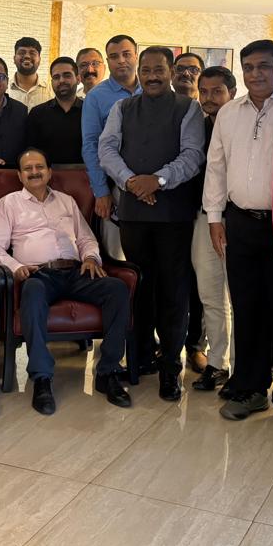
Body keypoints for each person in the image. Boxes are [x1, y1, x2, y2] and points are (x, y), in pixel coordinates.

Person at [203, 40, 273, 429]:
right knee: (247, 308)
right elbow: (216, 165)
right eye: (248, 67)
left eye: (263, 66)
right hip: (240, 222)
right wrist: (215, 216)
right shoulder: (229, 113)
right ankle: (250, 387)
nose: (255, 74)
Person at [0, 148, 132, 413]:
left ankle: (108, 372)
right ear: (19, 175)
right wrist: (16, 267)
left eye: (39, 167)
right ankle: (42, 378)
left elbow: (85, 238)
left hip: (76, 272)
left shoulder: (66, 201)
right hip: (38, 275)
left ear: (49, 172)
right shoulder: (9, 203)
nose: (34, 172)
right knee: (32, 292)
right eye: (28, 168)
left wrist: (91, 258)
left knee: (116, 288)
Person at [99, 46, 205, 401]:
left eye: (159, 70)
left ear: (171, 71)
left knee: (174, 291)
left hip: (173, 214)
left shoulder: (188, 108)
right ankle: (140, 358)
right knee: (139, 287)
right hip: (134, 214)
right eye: (146, 70)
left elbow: (192, 155)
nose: (152, 76)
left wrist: (157, 181)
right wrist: (131, 182)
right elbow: (106, 150)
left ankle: (170, 367)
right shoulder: (122, 108)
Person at [187, 66, 234, 392]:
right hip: (204, 218)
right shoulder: (197, 128)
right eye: (203, 91)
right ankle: (217, 363)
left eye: (217, 91)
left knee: (240, 296)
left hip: (240, 218)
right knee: (210, 294)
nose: (209, 98)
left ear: (232, 92)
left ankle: (244, 369)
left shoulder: (242, 124)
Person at [81, 35, 142, 262]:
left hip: (153, 184)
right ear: (108, 61)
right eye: (114, 56)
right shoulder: (96, 96)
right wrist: (101, 191)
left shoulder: (153, 90)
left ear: (136, 56)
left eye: (126, 54)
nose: (121, 60)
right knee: (118, 256)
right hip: (115, 187)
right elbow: (90, 145)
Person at [172, 51, 207, 373]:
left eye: (192, 70)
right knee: (172, 279)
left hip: (204, 210)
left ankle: (196, 345)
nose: (186, 74)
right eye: (180, 69)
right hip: (169, 207)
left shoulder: (212, 115)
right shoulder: (165, 111)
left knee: (200, 283)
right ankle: (167, 343)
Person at [24, 56, 85, 165]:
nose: (61, 80)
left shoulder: (90, 111)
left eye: (67, 75)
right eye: (56, 77)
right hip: (48, 174)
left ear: (78, 79)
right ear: (52, 82)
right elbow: (31, 152)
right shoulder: (37, 113)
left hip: (85, 174)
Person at [9, 36, 53, 108]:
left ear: (39, 60)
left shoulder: (52, 92)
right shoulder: (4, 91)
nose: (27, 56)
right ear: (14, 59)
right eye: (22, 52)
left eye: (32, 53)